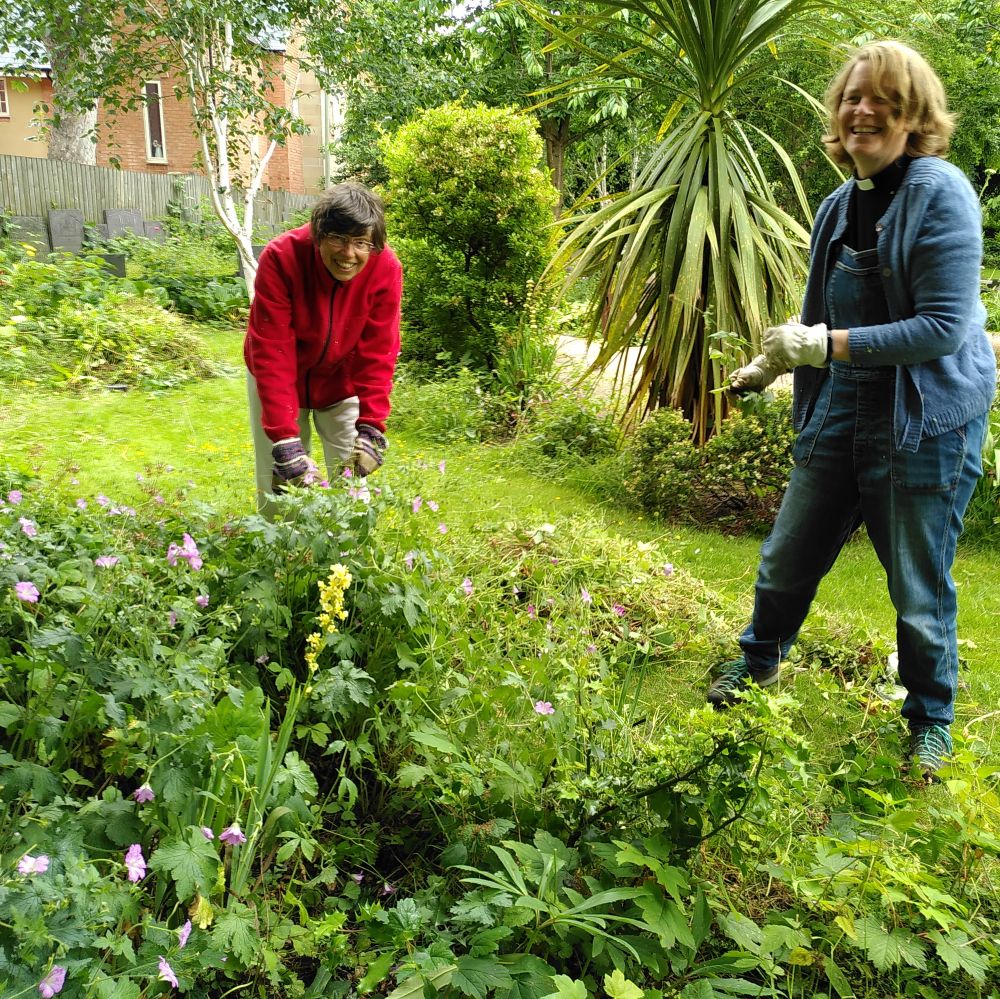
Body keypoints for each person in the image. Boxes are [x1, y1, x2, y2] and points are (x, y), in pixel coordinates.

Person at [710, 41, 997, 780]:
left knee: (918, 583)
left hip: (924, 418)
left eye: (885, 100)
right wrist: (772, 361)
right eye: (852, 98)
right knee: (787, 557)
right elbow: (813, 322)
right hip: (843, 407)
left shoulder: (942, 194)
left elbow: (941, 326)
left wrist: (824, 343)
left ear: (915, 117)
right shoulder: (841, 203)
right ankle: (758, 663)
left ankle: (931, 719)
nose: (863, 110)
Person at [244, 182, 402, 514]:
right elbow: (273, 351)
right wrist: (286, 440)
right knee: (281, 483)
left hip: (340, 383)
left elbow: (379, 351)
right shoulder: (281, 258)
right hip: (278, 380)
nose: (349, 254)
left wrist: (372, 425)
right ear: (318, 234)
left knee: (353, 482)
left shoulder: (385, 267)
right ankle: (279, 557)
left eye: (361, 243)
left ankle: (348, 560)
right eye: (338, 239)